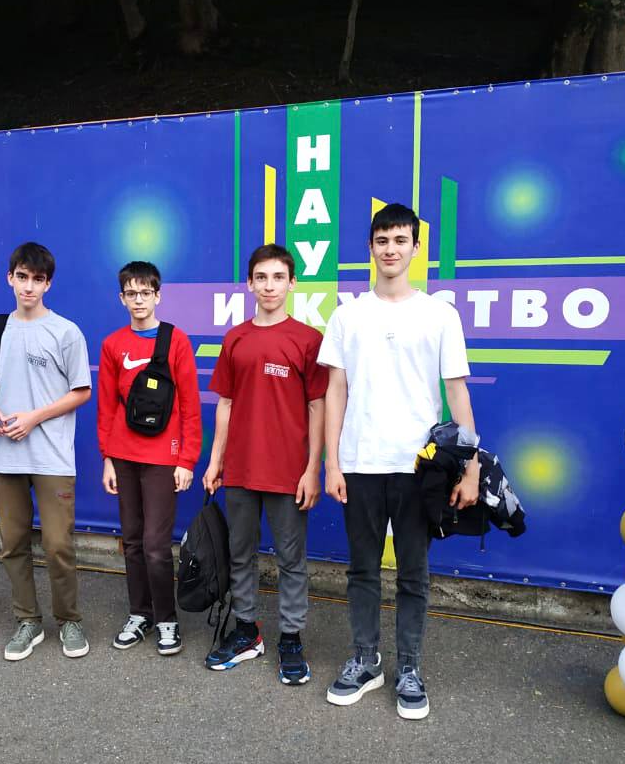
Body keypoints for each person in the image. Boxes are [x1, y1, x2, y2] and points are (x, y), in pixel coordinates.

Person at [318, 203, 480, 720]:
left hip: (419, 468)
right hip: (360, 463)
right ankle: (366, 661)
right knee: (362, 570)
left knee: (414, 573)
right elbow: (336, 391)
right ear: (371, 248)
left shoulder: (440, 314)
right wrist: (332, 463)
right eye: (382, 240)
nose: (391, 249)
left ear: (415, 247)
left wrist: (471, 465)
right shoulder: (347, 315)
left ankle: (409, 667)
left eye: (400, 240)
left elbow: (457, 392)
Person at [202, 244, 327, 684]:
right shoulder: (235, 338)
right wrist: (216, 461)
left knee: (291, 559)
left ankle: (290, 638)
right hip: (240, 469)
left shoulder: (308, 340)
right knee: (240, 555)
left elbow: (317, 407)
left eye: (278, 277)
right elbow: (226, 403)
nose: (269, 286)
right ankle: (246, 631)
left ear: (292, 283)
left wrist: (312, 469)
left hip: (289, 473)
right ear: (249, 283)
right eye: (261, 277)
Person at [0, 242, 93, 662]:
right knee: (12, 542)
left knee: (58, 544)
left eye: (38, 279)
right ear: (10, 278)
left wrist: (34, 417)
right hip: (3, 453)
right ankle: (28, 621)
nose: (29, 286)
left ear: (48, 284)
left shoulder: (66, 332)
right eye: (22, 277)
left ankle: (69, 620)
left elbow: (81, 391)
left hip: (51, 455)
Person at [97, 260, 202, 656]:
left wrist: (187, 460)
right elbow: (107, 406)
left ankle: (166, 620)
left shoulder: (176, 341)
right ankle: (139, 614)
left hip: (163, 457)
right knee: (132, 541)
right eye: (131, 293)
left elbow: (190, 406)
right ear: (121, 298)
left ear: (158, 296)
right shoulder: (112, 344)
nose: (138, 300)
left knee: (156, 545)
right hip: (123, 456)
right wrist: (107, 458)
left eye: (145, 293)